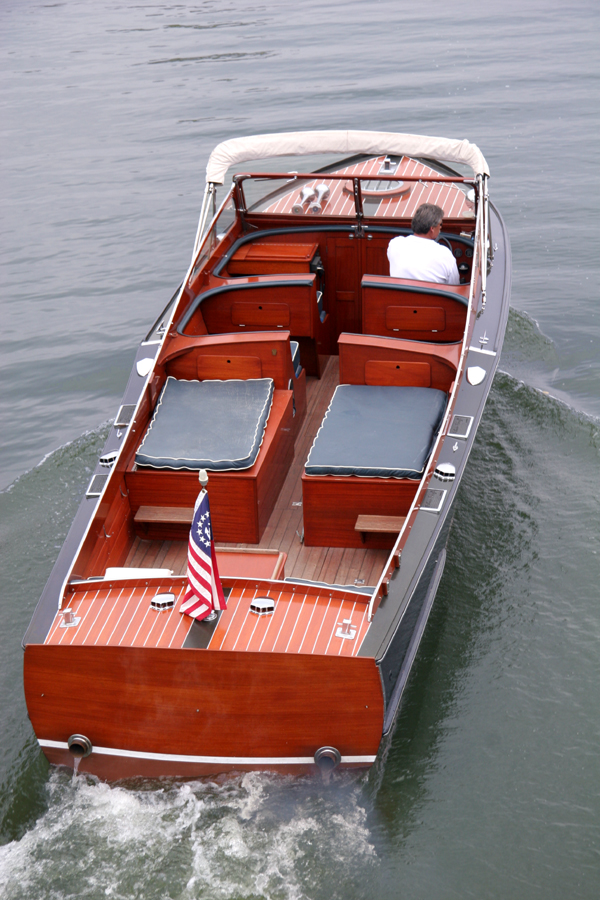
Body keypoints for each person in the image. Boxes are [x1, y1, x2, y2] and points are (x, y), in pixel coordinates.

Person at [387, 203, 460, 284]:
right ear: (432, 228)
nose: (441, 227)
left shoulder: (395, 244)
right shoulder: (445, 255)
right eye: (440, 224)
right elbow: (454, 286)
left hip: (398, 296)